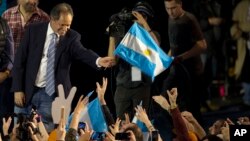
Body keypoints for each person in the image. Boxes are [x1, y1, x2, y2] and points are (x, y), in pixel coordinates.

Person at [11, 2, 114, 133]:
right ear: (52, 20)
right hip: (27, 89)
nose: (65, 28)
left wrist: (98, 60)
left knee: (44, 132)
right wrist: (17, 89)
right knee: (19, 130)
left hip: (51, 94)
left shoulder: (72, 37)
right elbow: (20, 60)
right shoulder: (34, 30)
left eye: (68, 25)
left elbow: (83, 52)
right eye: (62, 24)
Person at [107, 1, 160, 120]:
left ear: (148, 18)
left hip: (142, 86)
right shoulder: (125, 35)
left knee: (140, 124)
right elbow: (112, 61)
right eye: (137, 14)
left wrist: (144, 24)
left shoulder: (153, 34)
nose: (139, 18)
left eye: (143, 15)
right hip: (123, 86)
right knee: (121, 125)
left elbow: (155, 49)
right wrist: (112, 36)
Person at [162, 0, 207, 124]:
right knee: (165, 100)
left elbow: (202, 45)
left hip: (192, 70)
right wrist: (167, 57)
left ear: (180, 4)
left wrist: (182, 57)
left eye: (173, 8)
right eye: (167, 8)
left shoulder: (189, 19)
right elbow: (174, 43)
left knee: (192, 109)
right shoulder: (170, 18)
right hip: (177, 69)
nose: (170, 11)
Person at [230, 0, 250, 107]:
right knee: (245, 71)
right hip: (244, 44)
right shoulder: (242, 5)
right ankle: (247, 99)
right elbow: (234, 25)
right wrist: (241, 32)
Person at [0, 4, 14, 136]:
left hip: (2, 80)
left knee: (4, 114)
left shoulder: (4, 26)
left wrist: (5, 73)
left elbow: (10, 57)